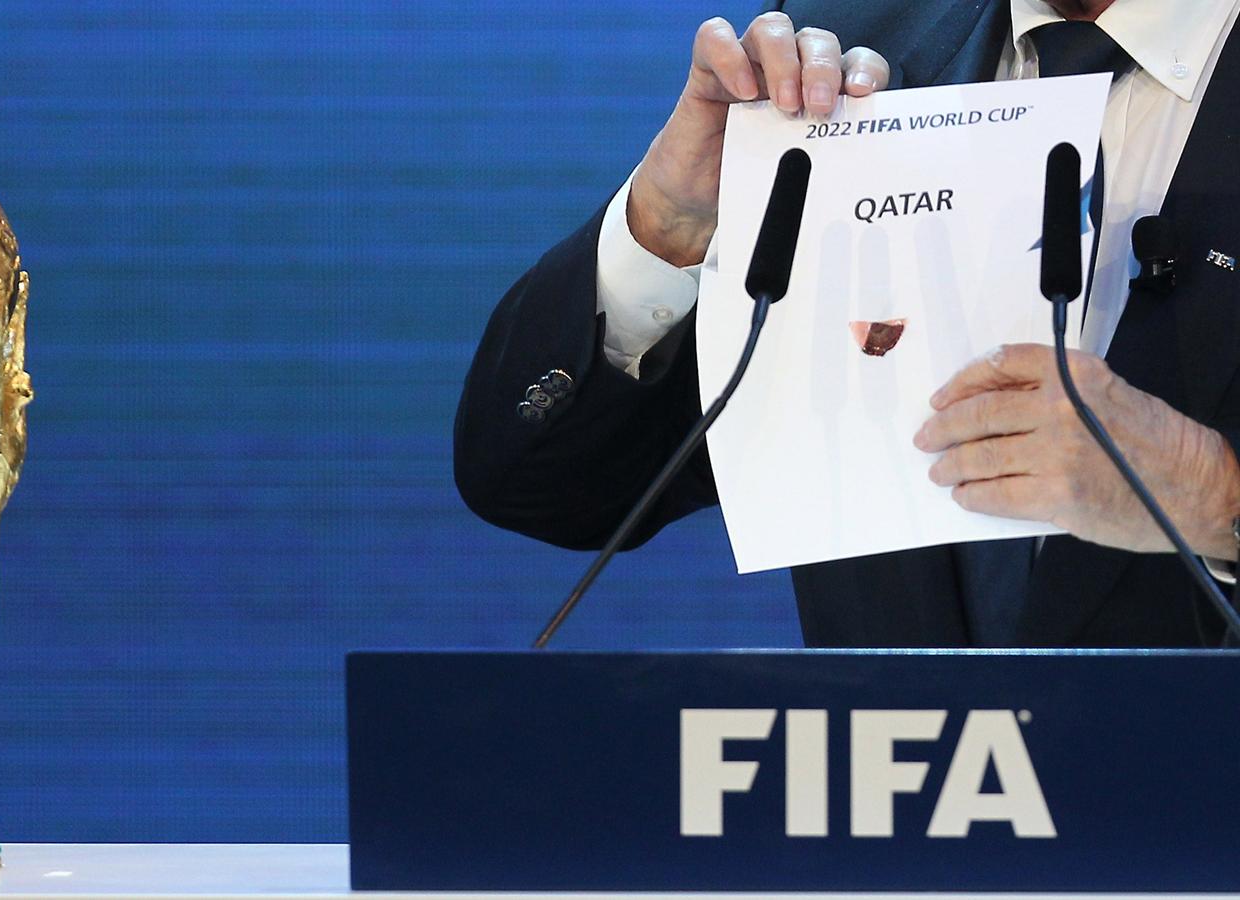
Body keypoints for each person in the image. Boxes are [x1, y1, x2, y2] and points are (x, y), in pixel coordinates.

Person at [454, 0, 1240, 647]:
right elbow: (541, 486)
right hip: (891, 780)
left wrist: (1215, 495)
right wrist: (666, 223)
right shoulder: (854, 56)